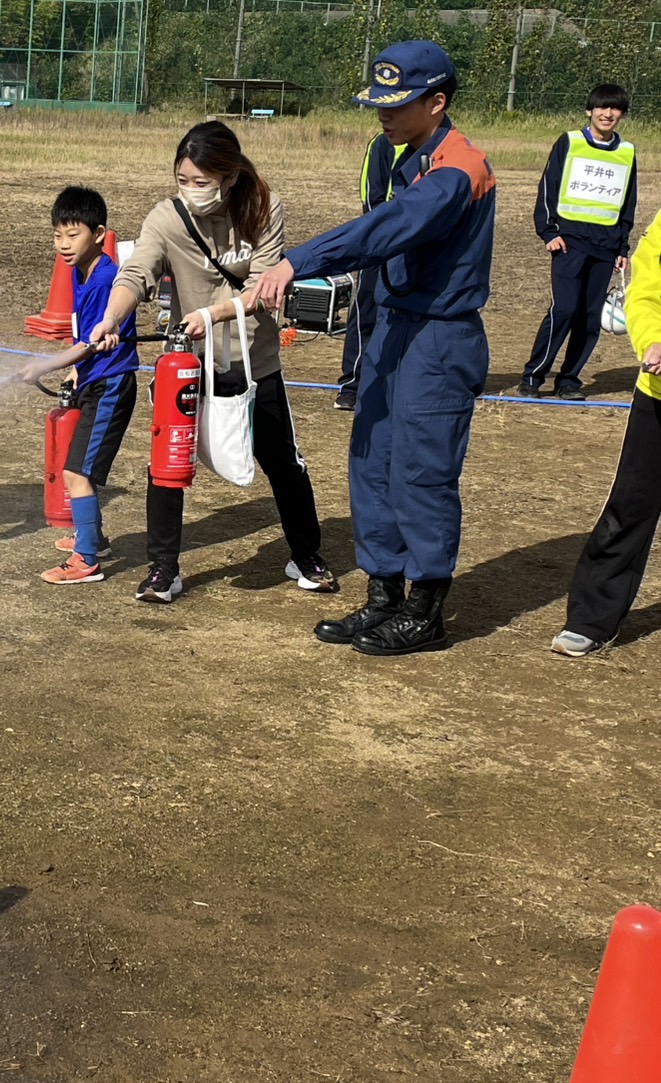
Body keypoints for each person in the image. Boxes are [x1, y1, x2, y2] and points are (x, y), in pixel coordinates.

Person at [251, 40, 495, 657]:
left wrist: (297, 262)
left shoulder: (456, 170)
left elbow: (386, 229)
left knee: (421, 471)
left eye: (398, 103)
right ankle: (384, 594)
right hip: (390, 326)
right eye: (377, 102)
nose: (382, 115)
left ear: (437, 103)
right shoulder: (401, 153)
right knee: (371, 460)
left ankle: (426, 608)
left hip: (438, 337)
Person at [91, 121, 337, 603]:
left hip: (253, 360)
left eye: (200, 182)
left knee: (283, 462)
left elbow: (263, 289)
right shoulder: (166, 218)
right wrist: (110, 319)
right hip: (186, 363)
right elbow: (137, 272)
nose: (190, 191)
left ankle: (306, 554)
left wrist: (212, 312)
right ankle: (164, 569)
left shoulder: (264, 210)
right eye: (182, 180)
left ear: (229, 176)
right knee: (167, 464)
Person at [551, 208, 661, 656]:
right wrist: (651, 339)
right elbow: (645, 293)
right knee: (630, 506)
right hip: (658, 394)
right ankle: (593, 618)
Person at [16, 187, 139, 584]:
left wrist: (46, 365)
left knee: (76, 473)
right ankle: (93, 537)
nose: (64, 245)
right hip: (93, 381)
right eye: (58, 235)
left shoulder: (105, 279)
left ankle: (86, 561)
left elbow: (89, 345)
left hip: (111, 386)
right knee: (77, 467)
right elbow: (82, 333)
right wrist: (71, 371)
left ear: (99, 233)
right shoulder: (77, 271)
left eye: (74, 235)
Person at [520, 84, 637, 401]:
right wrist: (548, 231)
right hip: (569, 243)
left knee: (589, 318)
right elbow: (548, 187)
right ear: (590, 110)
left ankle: (568, 381)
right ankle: (533, 377)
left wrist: (622, 248)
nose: (607, 113)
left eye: (614, 109)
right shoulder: (569, 142)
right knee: (565, 309)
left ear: (622, 115)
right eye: (601, 107)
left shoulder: (627, 152)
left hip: (606, 248)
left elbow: (628, 202)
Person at [335, 133, 401, 411]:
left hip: (419, 248)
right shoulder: (382, 145)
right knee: (365, 313)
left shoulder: (440, 144)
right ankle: (351, 384)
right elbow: (372, 200)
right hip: (379, 244)